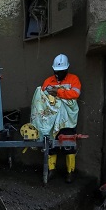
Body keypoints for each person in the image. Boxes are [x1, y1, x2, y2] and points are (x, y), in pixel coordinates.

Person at [42, 54, 82, 183]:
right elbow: (42, 97)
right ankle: (51, 170)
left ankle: (70, 172)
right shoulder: (48, 81)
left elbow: (76, 93)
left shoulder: (74, 79)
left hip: (67, 120)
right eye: (57, 71)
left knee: (69, 144)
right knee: (50, 144)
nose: (59, 74)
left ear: (67, 69)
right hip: (52, 119)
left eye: (62, 71)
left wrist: (58, 92)